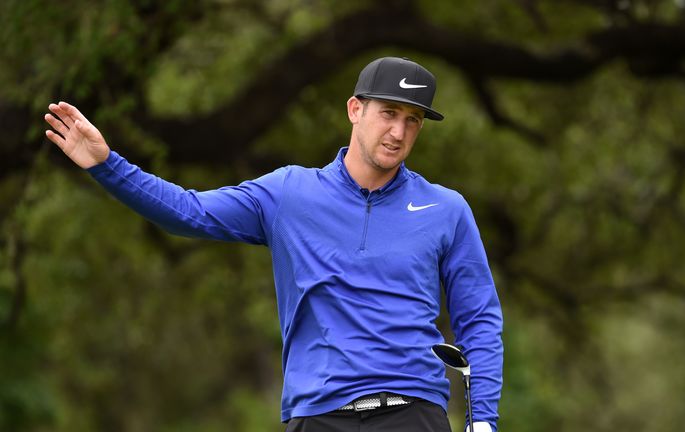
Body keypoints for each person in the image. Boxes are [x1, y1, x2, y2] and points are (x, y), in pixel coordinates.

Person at [44, 57, 503, 432]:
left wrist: (482, 421)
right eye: (388, 114)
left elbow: (478, 316)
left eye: (413, 120)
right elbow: (189, 212)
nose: (399, 133)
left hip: (414, 414)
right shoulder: (288, 194)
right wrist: (107, 164)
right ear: (354, 109)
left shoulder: (446, 208)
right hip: (320, 416)